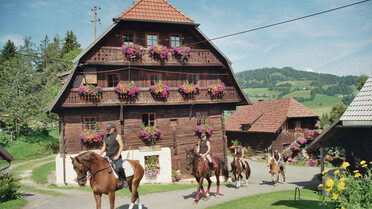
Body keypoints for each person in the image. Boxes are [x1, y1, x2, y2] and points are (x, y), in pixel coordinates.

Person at [100, 123, 128, 188]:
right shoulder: (106, 136)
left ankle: (124, 181)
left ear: (113, 128)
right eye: (107, 129)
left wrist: (117, 156)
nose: (108, 131)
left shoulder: (117, 136)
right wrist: (100, 153)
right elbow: (104, 147)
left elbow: (121, 146)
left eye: (109, 129)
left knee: (119, 168)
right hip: (108, 156)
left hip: (115, 156)